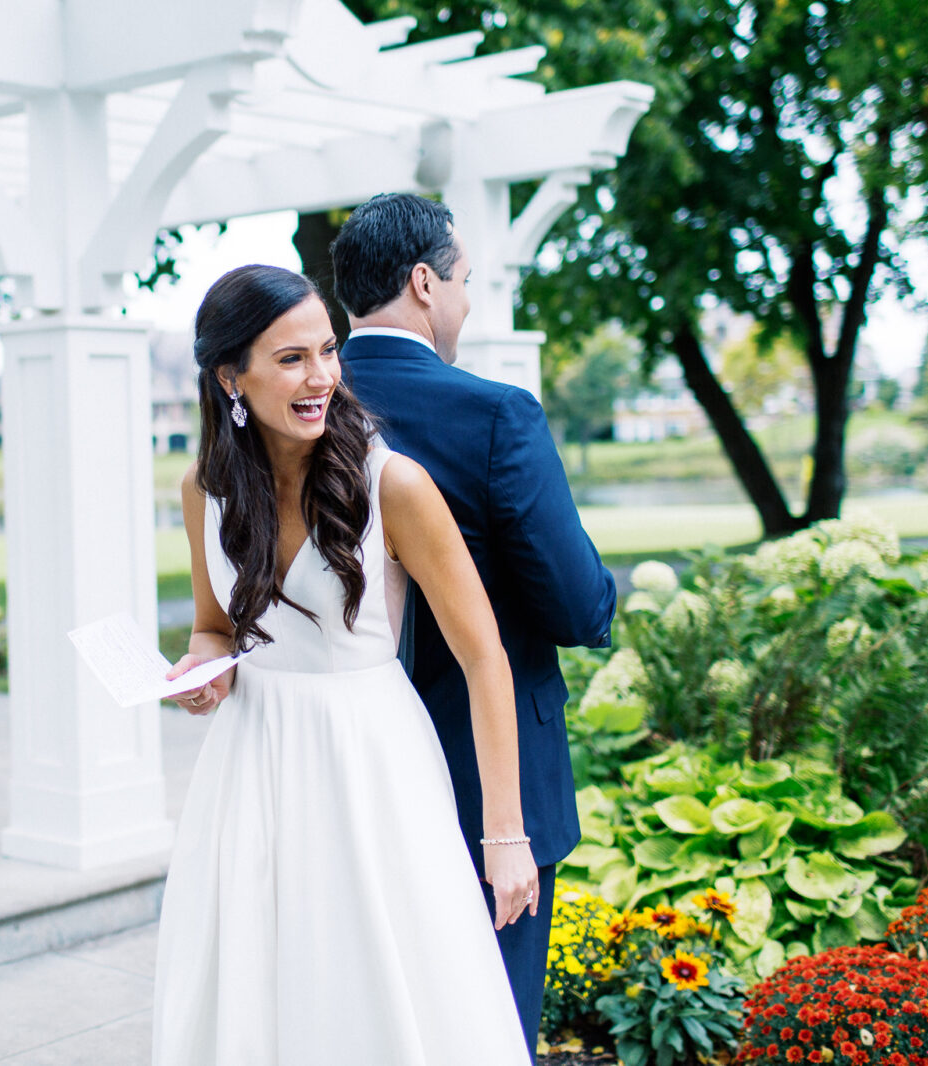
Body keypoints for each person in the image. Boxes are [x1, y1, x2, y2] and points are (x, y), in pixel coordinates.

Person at [151, 263, 536, 1065]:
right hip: (250, 763)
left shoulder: (392, 483)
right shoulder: (204, 489)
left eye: (328, 350)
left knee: (380, 982)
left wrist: (505, 837)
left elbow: (483, 655)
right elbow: (213, 627)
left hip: (369, 763)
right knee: (259, 982)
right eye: (292, 358)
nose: (322, 375)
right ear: (231, 377)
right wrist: (204, 671)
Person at [331, 193, 618, 1051]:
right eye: (463, 282)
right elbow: (577, 606)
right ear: (424, 283)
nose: (466, 302)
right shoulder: (498, 415)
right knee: (489, 1025)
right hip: (486, 785)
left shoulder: (300, 411)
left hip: (344, 766)